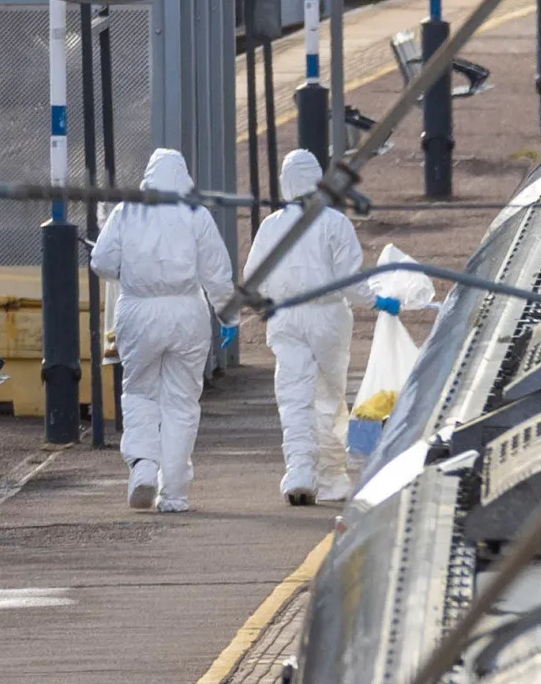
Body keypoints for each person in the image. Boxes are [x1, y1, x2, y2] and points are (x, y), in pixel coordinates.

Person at [91, 148, 236, 513]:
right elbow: (216, 273)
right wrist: (228, 317)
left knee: (139, 393)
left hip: (138, 310)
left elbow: (102, 262)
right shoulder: (196, 215)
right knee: (182, 403)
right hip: (188, 312)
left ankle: (142, 464)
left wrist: (128, 272)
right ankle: (174, 493)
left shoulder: (127, 211)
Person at [243, 149, 375, 506]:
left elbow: (251, 279)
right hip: (328, 316)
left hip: (286, 315)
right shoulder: (334, 223)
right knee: (329, 395)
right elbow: (350, 281)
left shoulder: (271, 226)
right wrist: (377, 300)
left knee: (294, 396)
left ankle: (299, 471)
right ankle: (331, 477)